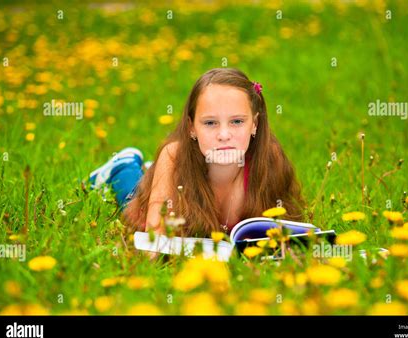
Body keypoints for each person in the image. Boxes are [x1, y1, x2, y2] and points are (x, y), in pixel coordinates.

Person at [89, 67, 307, 238]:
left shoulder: (268, 158)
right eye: (210, 123)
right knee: (133, 203)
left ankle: (148, 171)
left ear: (255, 125)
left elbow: (289, 226)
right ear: (192, 127)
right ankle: (123, 166)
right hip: (166, 183)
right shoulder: (174, 156)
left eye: (237, 121)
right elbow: (155, 235)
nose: (224, 135)